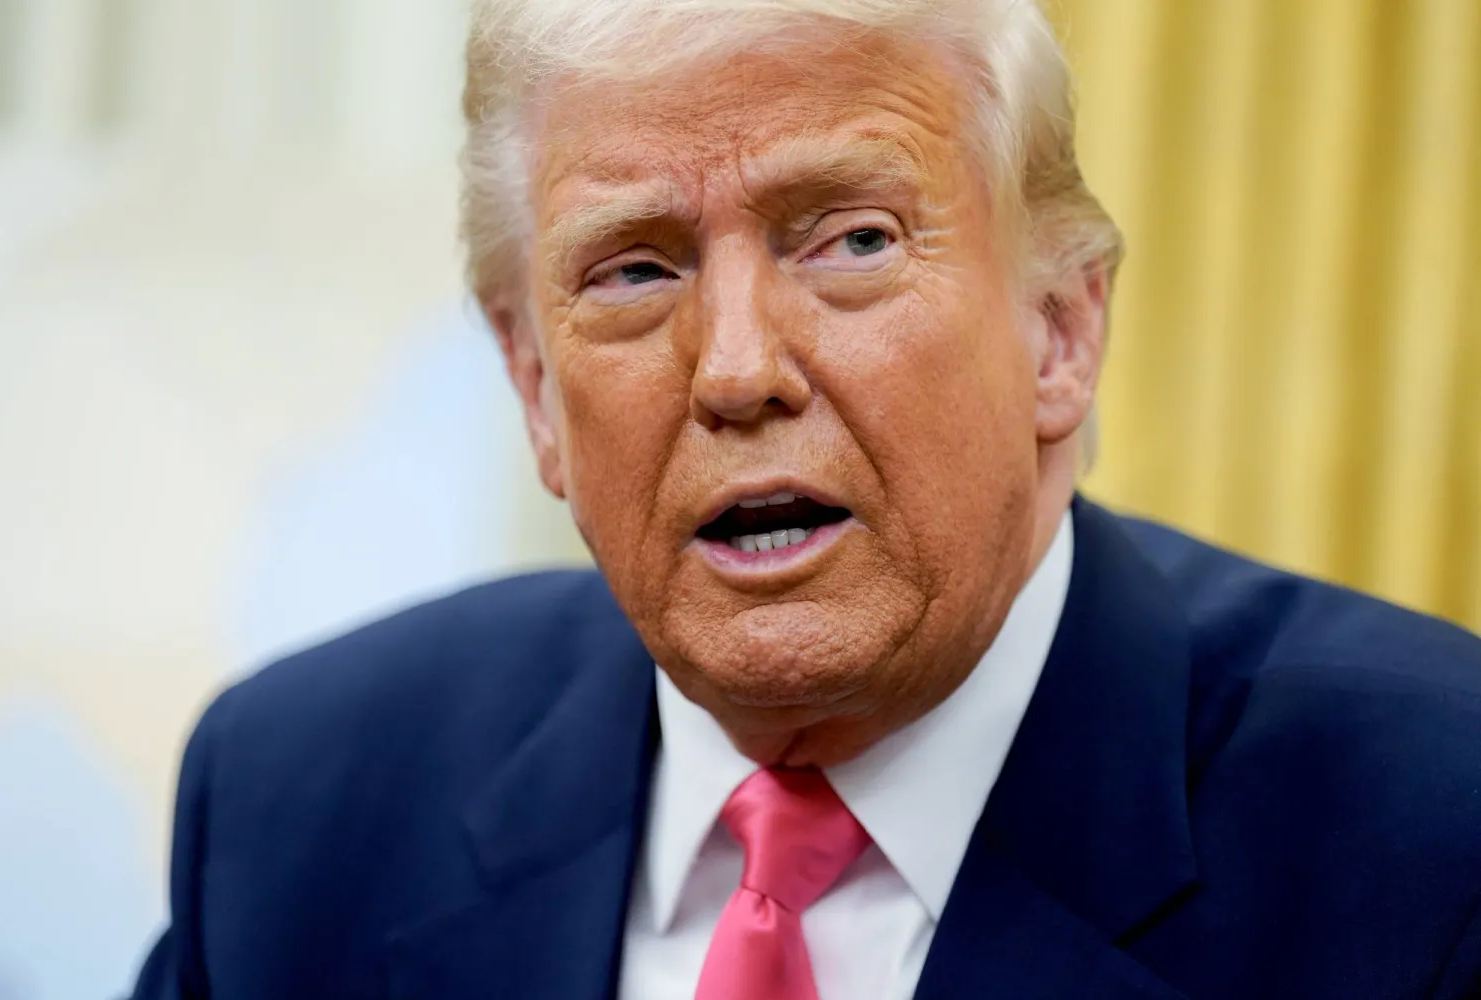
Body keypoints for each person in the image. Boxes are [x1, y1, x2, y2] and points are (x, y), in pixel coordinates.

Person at [129, 0, 1481, 997]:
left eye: (851, 241)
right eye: (635, 270)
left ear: (1059, 333)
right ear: (536, 390)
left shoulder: (1433, 832)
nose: (735, 370)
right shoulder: (297, 806)